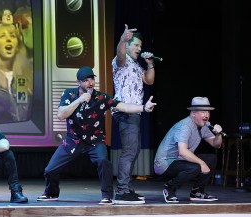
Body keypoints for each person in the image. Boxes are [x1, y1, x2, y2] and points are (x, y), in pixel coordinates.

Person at [36, 66, 156, 205]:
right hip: (73, 139)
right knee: (50, 170)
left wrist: (143, 108)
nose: (91, 83)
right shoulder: (69, 94)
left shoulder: (101, 97)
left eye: (92, 79)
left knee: (104, 162)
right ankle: (51, 193)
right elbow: (61, 115)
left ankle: (107, 196)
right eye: (86, 80)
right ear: (78, 82)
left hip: (95, 140)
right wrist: (79, 100)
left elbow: (122, 106)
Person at [112, 24, 155, 204]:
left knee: (134, 150)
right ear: (128, 45)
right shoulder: (120, 61)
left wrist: (150, 63)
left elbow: (149, 80)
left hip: (136, 113)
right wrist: (123, 39)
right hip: (125, 112)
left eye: (140, 46)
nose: (139, 48)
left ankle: (127, 188)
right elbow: (121, 55)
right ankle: (122, 191)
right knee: (130, 151)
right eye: (135, 45)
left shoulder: (136, 65)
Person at [154, 97, 223, 203]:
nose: (207, 115)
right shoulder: (185, 126)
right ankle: (170, 188)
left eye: (208, 112)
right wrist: (201, 163)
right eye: (203, 111)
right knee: (196, 166)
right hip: (165, 164)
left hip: (180, 161)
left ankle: (197, 192)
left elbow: (216, 144)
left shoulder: (203, 126)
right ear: (193, 113)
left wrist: (218, 134)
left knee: (211, 158)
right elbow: (183, 152)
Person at [0, 23, 33, 123]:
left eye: (12, 36)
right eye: (2, 36)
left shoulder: (22, 76)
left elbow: (22, 114)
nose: (8, 39)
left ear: (17, 45)